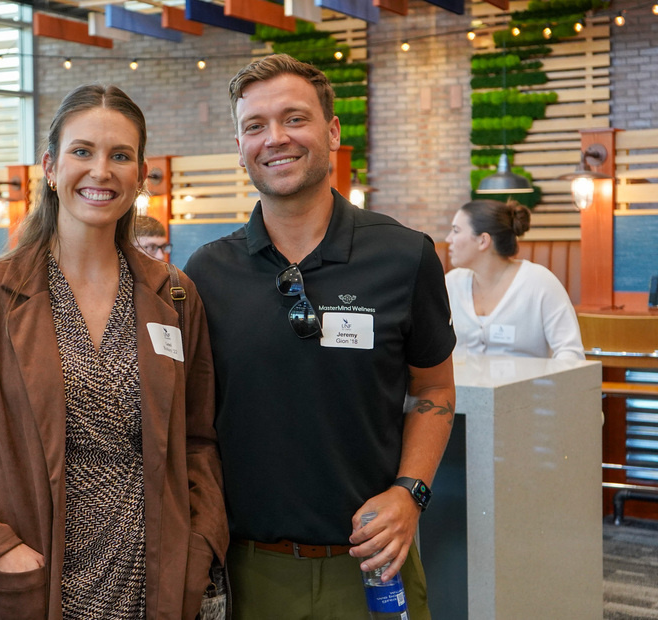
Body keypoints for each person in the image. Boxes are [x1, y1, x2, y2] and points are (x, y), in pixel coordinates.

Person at [0, 84, 227, 620]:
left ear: (140, 176)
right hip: (33, 578)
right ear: (50, 167)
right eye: (83, 151)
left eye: (120, 156)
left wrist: (199, 544)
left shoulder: (174, 295)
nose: (101, 170)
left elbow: (199, 441)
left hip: (153, 584)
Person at [184, 54, 456, 619]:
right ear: (239, 146)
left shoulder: (405, 256)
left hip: (371, 565)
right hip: (246, 568)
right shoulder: (206, 274)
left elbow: (435, 390)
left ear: (331, 131)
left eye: (294, 118)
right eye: (254, 126)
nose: (275, 138)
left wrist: (412, 492)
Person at [445, 199, 585, 360]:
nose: (448, 239)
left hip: (530, 385)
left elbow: (570, 352)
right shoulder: (451, 284)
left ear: (483, 240)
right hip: (463, 385)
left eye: (456, 231)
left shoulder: (540, 283)